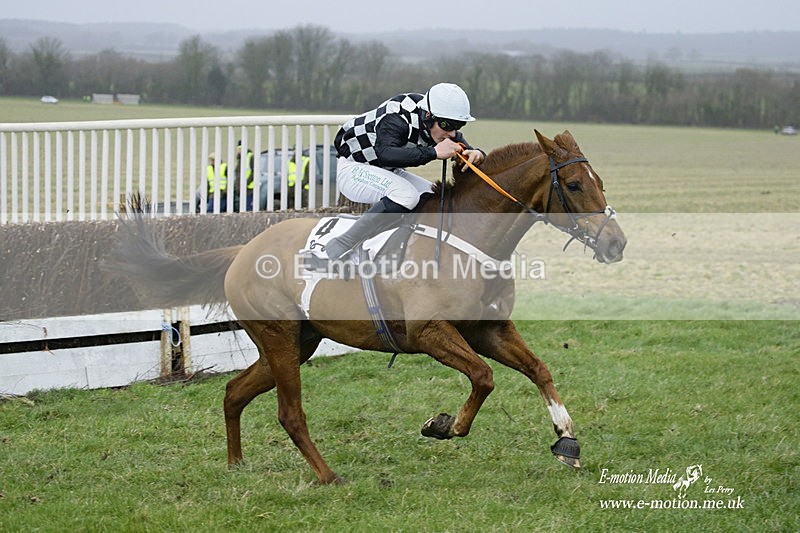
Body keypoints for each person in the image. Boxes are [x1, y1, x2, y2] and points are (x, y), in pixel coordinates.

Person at [315, 82, 485, 260]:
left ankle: (401, 248)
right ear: (428, 116)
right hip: (354, 168)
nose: (452, 133)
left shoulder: (438, 122)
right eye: (448, 125)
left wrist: (477, 153)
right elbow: (385, 154)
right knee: (406, 195)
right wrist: (433, 152)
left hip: (387, 171)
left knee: (432, 196)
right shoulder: (397, 116)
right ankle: (339, 246)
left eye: (459, 125)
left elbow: (465, 149)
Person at [233, 140, 255, 211]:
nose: (239, 151)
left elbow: (254, 172)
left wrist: (246, 183)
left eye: (241, 149)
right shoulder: (240, 159)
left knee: (248, 207)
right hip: (240, 187)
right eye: (239, 149)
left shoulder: (250, 157)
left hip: (249, 188)